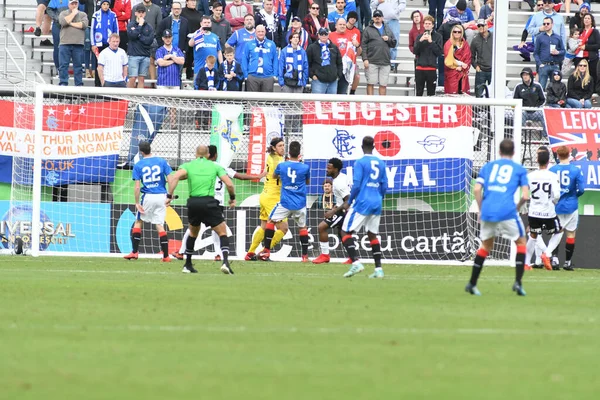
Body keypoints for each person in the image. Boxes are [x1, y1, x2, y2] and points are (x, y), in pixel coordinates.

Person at [172, 145, 264, 262]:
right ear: (215, 155)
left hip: (201, 199)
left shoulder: (197, 167)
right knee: (218, 229)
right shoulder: (220, 167)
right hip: (216, 202)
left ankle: (182, 252)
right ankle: (218, 254)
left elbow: (182, 176)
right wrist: (257, 176)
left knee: (193, 228)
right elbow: (239, 176)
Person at [167, 145, 236, 274]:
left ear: (195, 154)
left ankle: (187, 264)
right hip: (209, 202)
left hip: (193, 203)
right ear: (208, 154)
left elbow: (174, 177)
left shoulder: (188, 166)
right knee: (222, 232)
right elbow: (230, 184)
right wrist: (232, 198)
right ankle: (225, 262)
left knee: (193, 233)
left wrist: (169, 196)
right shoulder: (215, 166)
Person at [341, 136, 387, 278]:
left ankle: (356, 263)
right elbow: (385, 186)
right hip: (377, 202)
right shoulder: (381, 163)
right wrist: (378, 198)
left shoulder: (360, 162)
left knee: (345, 232)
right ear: (374, 147)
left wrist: (349, 201)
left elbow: (357, 184)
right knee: (372, 234)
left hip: (363, 201)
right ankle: (378, 269)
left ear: (362, 147)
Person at [258, 141, 311, 262]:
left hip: (285, 203)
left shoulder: (282, 165)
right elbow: (307, 182)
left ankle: (266, 251)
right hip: (300, 203)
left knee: (270, 221)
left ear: (289, 152)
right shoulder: (305, 167)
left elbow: (275, 176)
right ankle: (305, 256)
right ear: (299, 154)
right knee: (302, 227)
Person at [124, 141, 174, 262]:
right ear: (150, 149)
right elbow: (171, 179)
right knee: (159, 225)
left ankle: (135, 252)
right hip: (162, 196)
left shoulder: (139, 165)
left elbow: (137, 186)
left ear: (141, 152)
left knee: (139, 221)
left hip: (148, 196)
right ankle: (166, 256)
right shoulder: (162, 161)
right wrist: (169, 196)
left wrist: (137, 202)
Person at [245, 137, 286, 261]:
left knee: (264, 226)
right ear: (274, 148)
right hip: (273, 197)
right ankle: (264, 252)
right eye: (280, 146)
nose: (283, 148)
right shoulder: (278, 161)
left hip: (265, 195)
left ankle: (250, 253)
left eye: (284, 145)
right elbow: (280, 175)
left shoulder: (271, 157)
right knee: (283, 228)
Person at [524, 146, 562, 271]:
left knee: (533, 235)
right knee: (559, 231)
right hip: (548, 212)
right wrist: (554, 202)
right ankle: (548, 253)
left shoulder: (530, 176)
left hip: (534, 211)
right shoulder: (552, 176)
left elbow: (525, 192)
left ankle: (526, 263)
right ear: (548, 161)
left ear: (537, 160)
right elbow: (556, 195)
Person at [549, 145, 585, 271]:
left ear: (557, 155)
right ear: (569, 154)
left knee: (556, 232)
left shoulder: (552, 170)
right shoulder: (576, 170)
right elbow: (581, 189)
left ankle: (554, 259)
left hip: (556, 205)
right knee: (571, 233)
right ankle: (568, 262)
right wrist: (574, 196)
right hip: (571, 205)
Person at [313, 158, 351, 265]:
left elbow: (348, 200)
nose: (327, 170)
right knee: (342, 233)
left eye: (329, 168)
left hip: (345, 211)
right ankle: (353, 257)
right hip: (344, 208)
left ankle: (325, 255)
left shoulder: (339, 183)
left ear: (336, 169)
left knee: (322, 227)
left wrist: (333, 211)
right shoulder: (341, 177)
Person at [362, 9, 396, 95]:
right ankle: (370, 103)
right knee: (370, 83)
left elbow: (394, 43)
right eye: (375, 16)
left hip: (385, 60)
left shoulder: (388, 28)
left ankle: (382, 105)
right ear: (373, 18)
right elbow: (364, 45)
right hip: (372, 60)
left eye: (379, 16)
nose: (377, 18)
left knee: (383, 84)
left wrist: (388, 39)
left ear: (382, 18)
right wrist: (365, 59)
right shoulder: (367, 29)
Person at [58, 0, 88, 86]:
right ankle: (63, 83)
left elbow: (84, 25)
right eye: (72, 4)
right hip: (65, 43)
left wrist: (70, 23)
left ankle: (78, 84)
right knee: (63, 65)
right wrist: (73, 14)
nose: (74, 5)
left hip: (78, 43)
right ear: (69, 4)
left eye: (76, 3)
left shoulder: (83, 14)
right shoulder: (63, 13)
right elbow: (63, 22)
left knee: (78, 66)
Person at [370, 0, 405, 71]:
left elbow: (403, 4)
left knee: (394, 42)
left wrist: (395, 11)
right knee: (379, 42)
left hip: (393, 20)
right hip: (380, 21)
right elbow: (372, 5)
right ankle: (379, 62)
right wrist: (378, 2)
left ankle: (392, 63)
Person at [90, 0, 118, 87]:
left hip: (109, 44)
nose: (105, 6)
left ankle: (107, 84)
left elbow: (116, 30)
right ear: (101, 5)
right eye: (104, 4)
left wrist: (115, 42)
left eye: (107, 4)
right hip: (99, 44)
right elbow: (92, 30)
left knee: (108, 64)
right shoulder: (96, 14)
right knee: (99, 65)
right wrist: (93, 43)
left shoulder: (113, 15)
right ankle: (97, 84)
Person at [307, 27, 343, 94]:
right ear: (318, 35)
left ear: (328, 35)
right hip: (318, 81)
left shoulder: (334, 47)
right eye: (321, 34)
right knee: (317, 103)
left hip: (333, 81)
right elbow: (307, 63)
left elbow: (339, 63)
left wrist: (338, 75)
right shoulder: (312, 47)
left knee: (331, 103)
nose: (323, 36)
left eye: (325, 34)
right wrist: (312, 75)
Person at [243, 25, 278, 92]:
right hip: (253, 76)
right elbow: (245, 59)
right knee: (253, 101)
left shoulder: (271, 44)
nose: (260, 33)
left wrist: (275, 74)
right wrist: (246, 74)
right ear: (255, 32)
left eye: (262, 31)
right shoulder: (249, 44)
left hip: (268, 76)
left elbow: (275, 60)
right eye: (258, 31)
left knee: (267, 101)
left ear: (265, 32)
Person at [127, 4, 155, 88]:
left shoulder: (149, 27)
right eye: (139, 12)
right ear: (135, 13)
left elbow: (149, 41)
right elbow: (132, 36)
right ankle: (128, 98)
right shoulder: (131, 25)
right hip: (134, 55)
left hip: (145, 55)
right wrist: (140, 26)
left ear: (145, 14)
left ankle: (139, 99)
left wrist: (139, 36)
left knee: (141, 78)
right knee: (132, 78)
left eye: (142, 12)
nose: (141, 14)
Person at [329, 18, 360, 94]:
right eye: (340, 24)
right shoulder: (330, 36)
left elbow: (358, 52)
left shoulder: (352, 36)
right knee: (332, 93)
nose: (342, 26)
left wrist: (357, 45)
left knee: (342, 93)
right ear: (336, 26)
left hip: (346, 68)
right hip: (334, 67)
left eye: (344, 24)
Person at [414, 15, 442, 96]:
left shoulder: (438, 37)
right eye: (426, 23)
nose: (427, 25)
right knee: (419, 93)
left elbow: (439, 52)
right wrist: (420, 41)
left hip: (431, 68)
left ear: (433, 25)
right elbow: (415, 51)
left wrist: (431, 42)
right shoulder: (419, 37)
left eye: (429, 24)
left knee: (431, 94)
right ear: (423, 25)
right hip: (420, 68)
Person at [534, 17, 565, 90]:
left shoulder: (558, 37)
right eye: (544, 24)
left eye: (548, 23)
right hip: (544, 65)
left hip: (555, 65)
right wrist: (540, 64)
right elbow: (536, 53)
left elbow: (563, 51)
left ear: (552, 24)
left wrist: (558, 52)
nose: (546, 25)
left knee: (555, 88)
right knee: (541, 88)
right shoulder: (539, 37)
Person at [443, 24, 471, 95]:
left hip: (463, 73)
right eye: (455, 32)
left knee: (463, 94)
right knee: (452, 94)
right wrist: (458, 66)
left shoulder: (465, 44)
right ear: (452, 32)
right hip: (452, 73)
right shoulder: (448, 44)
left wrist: (462, 67)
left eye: (459, 32)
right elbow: (448, 60)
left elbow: (468, 57)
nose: (457, 33)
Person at [470, 19, 493, 98]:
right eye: (478, 26)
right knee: (478, 94)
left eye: (482, 26)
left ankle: (492, 110)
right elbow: (471, 56)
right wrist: (476, 66)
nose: (480, 27)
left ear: (487, 26)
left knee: (493, 95)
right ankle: (479, 110)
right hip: (481, 70)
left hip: (493, 70)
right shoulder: (475, 40)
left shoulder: (495, 38)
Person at [181, 0, 202, 79]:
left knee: (192, 59)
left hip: (195, 40)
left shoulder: (199, 14)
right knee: (185, 59)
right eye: (192, 1)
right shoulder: (182, 12)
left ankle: (191, 77)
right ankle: (183, 76)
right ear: (186, 2)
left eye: (195, 1)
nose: (194, 3)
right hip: (184, 39)